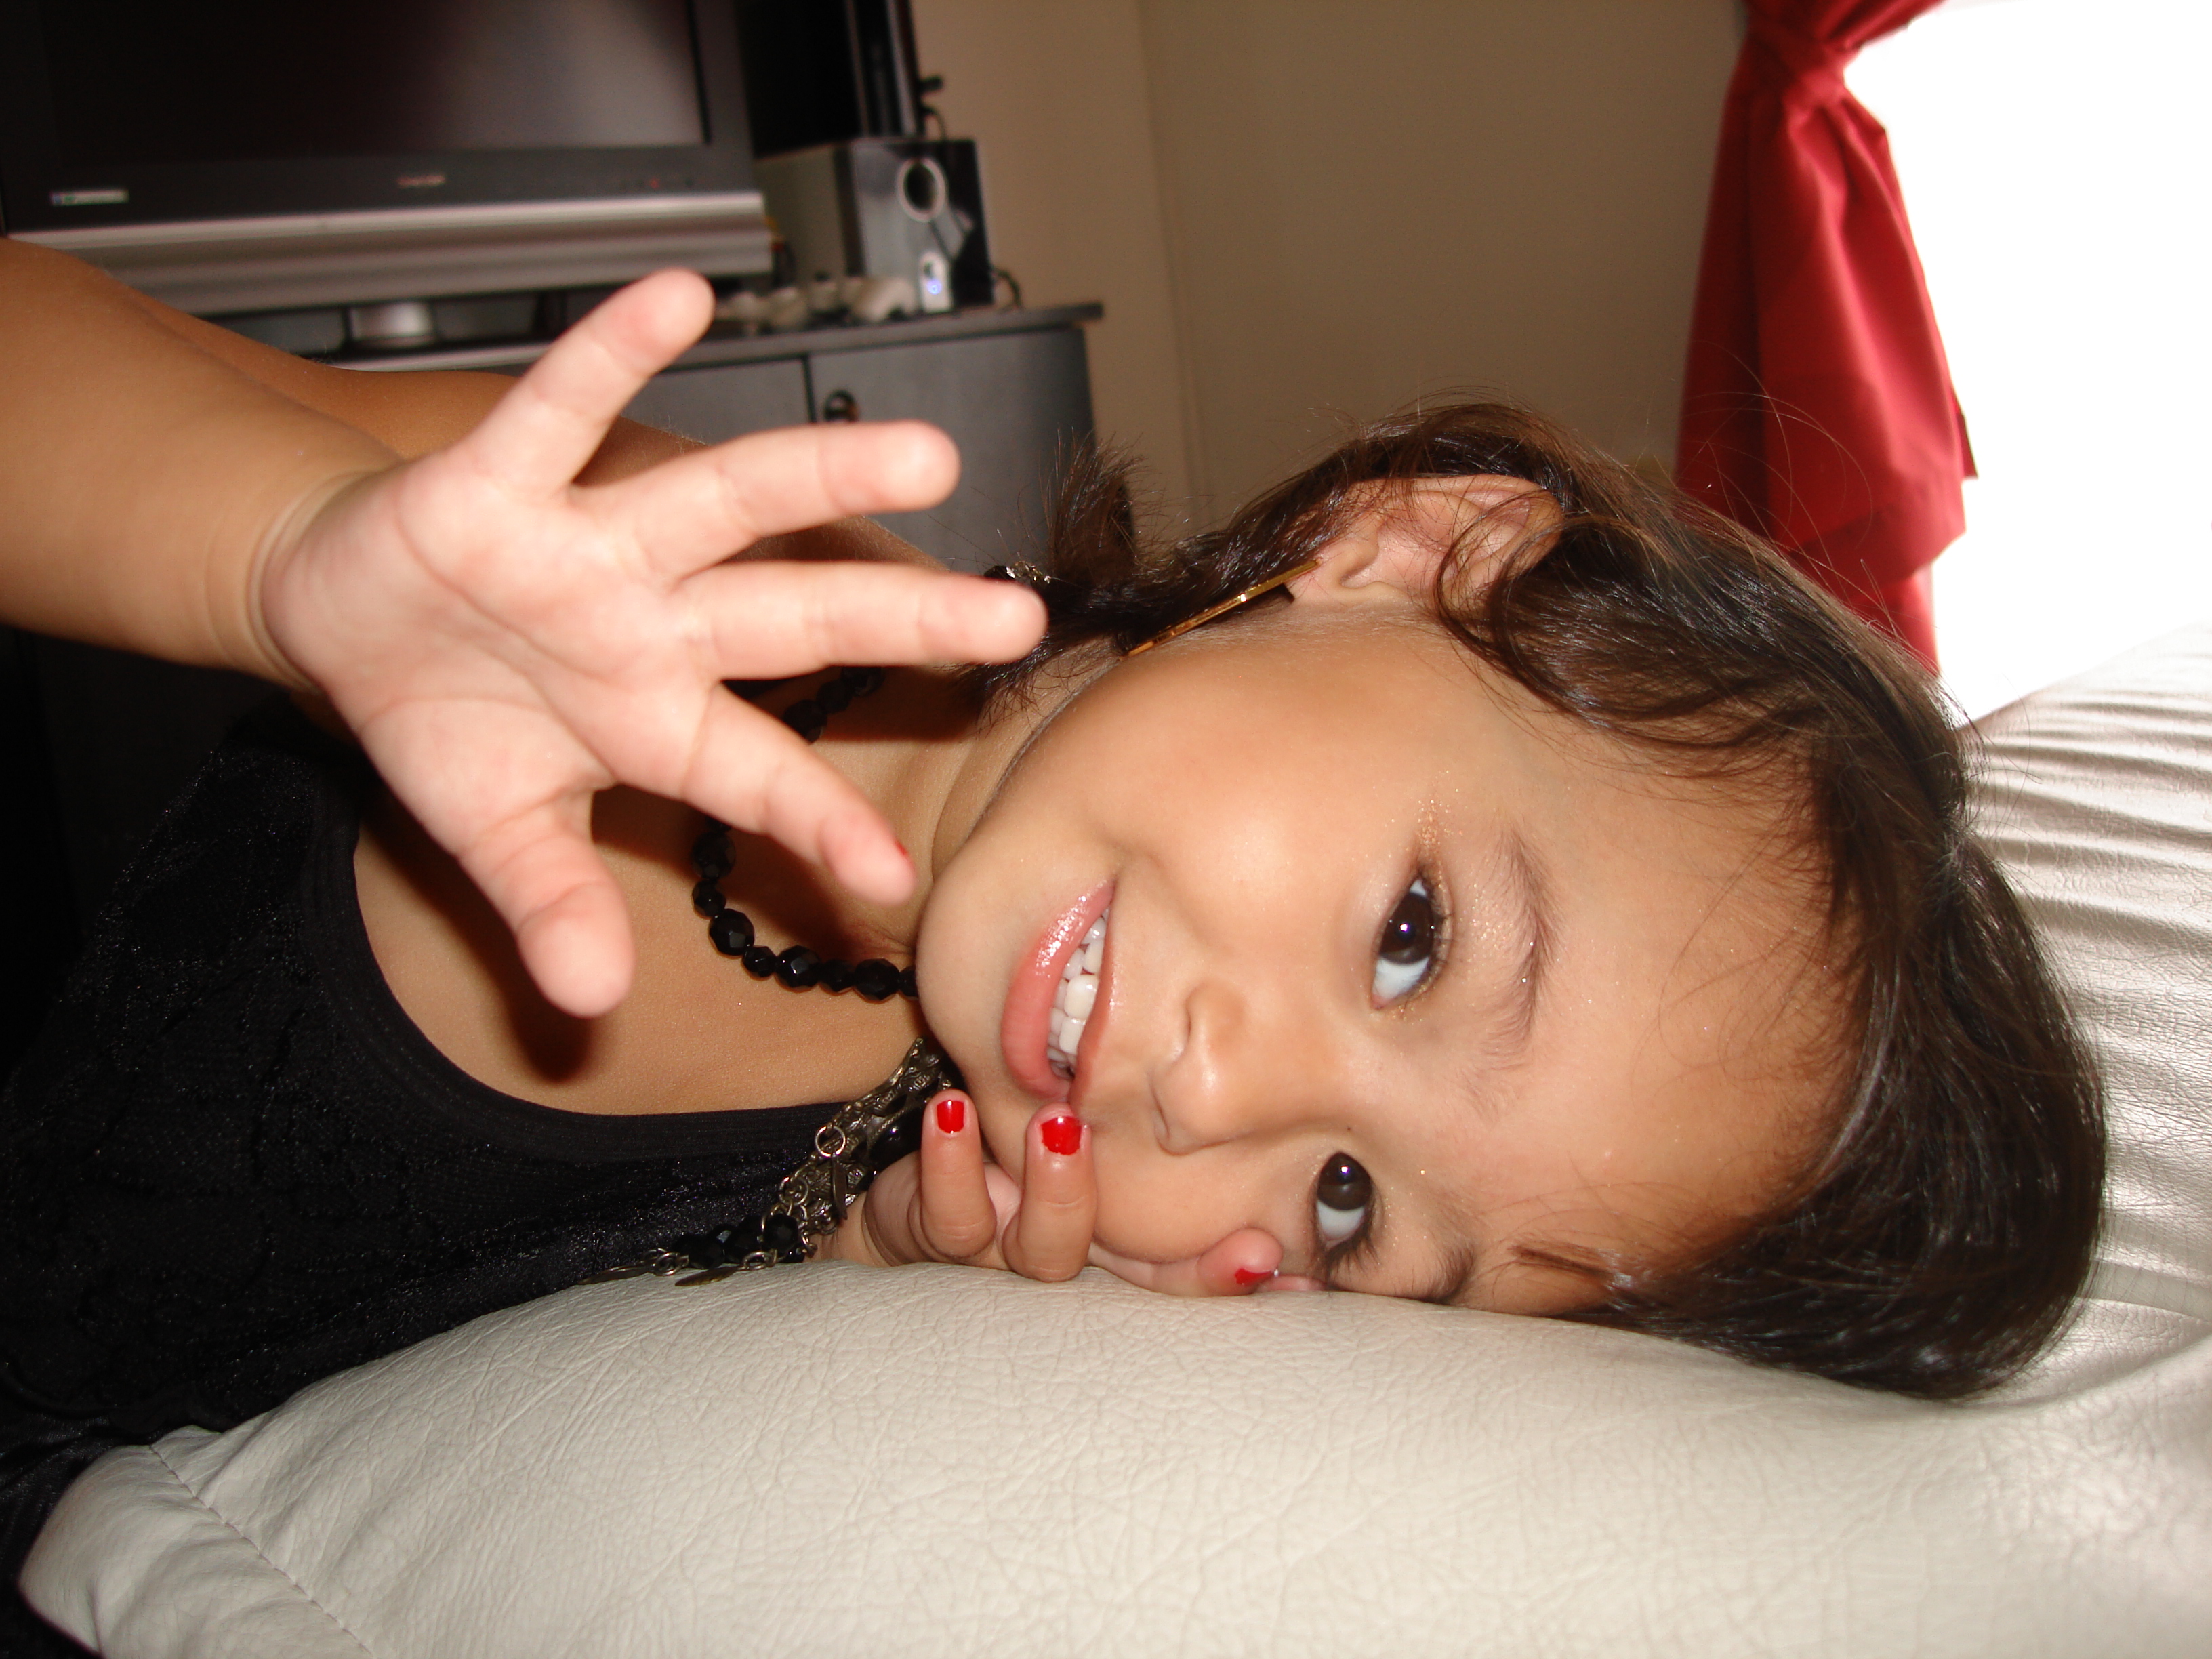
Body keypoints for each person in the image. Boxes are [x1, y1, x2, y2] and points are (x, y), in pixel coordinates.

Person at [1, 244, 2102, 1641]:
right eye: (1409, 940)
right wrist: (283, 549)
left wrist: (844, 1272)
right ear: (1414, 550)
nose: (1222, 1094)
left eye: (1350, 1202)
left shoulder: (942, 1188)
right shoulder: (700, 582)